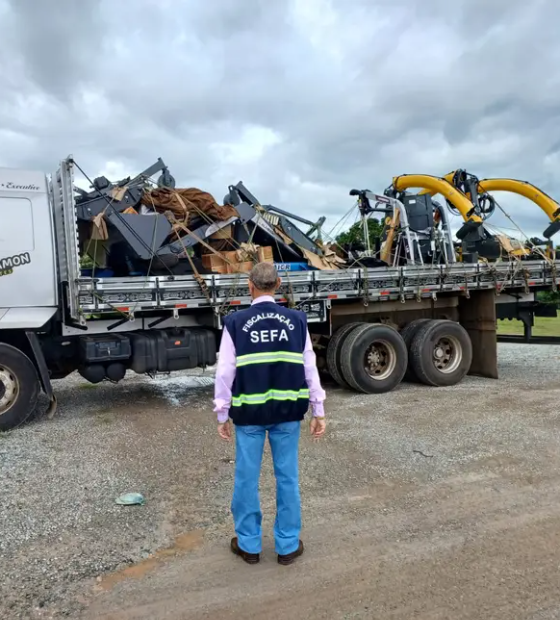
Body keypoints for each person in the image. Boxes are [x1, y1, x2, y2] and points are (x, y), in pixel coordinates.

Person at [213, 262, 326, 566]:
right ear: (277, 284)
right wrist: (319, 409)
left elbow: (225, 372)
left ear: (250, 285)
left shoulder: (236, 323)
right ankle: (287, 546)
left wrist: (222, 413)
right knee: (287, 477)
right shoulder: (297, 321)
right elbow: (309, 367)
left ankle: (249, 545)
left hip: (249, 414)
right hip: (288, 413)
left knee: (246, 478)